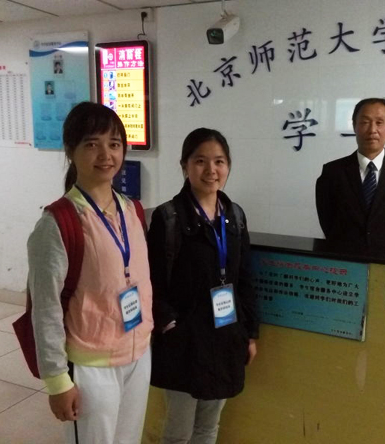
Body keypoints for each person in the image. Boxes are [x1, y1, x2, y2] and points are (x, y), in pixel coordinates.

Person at [27, 102, 153, 444]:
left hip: (138, 355)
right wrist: (57, 381)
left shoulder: (132, 209)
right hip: (89, 365)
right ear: (71, 151)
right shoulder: (58, 222)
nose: (105, 154)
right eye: (92, 144)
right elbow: (45, 309)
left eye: (114, 144)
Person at [147, 128, 259, 444]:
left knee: (209, 426)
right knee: (179, 432)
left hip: (225, 336)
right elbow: (152, 280)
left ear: (228, 166)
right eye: (200, 161)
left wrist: (249, 332)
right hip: (184, 340)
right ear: (185, 165)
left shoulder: (235, 216)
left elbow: (245, 278)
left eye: (219, 161)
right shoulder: (168, 217)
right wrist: (170, 325)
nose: (211, 170)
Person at [316, 98, 385, 249]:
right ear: (354, 126)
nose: (372, 130)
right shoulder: (332, 172)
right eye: (365, 122)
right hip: (343, 255)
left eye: (379, 122)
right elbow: (327, 220)